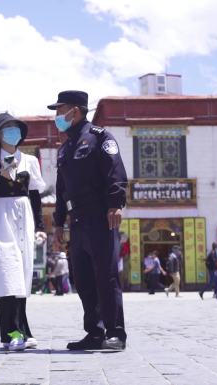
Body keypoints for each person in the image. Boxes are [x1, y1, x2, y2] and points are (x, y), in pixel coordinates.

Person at [50, 90, 128, 351]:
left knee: (105, 276)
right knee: (82, 278)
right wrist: (58, 222)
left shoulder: (99, 137)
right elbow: (62, 189)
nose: (58, 116)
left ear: (76, 110)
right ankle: (94, 332)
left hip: (101, 217)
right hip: (77, 221)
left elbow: (115, 171)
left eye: (61, 110)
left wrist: (116, 204)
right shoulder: (65, 148)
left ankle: (116, 333)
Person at [0, 112, 47, 351]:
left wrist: (41, 226)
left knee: (22, 276)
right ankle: (11, 333)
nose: (14, 132)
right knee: (9, 274)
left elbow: (35, 195)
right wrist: (0, 179)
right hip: (0, 218)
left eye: (17, 128)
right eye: (8, 128)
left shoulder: (29, 161)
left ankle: (23, 331)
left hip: (23, 218)